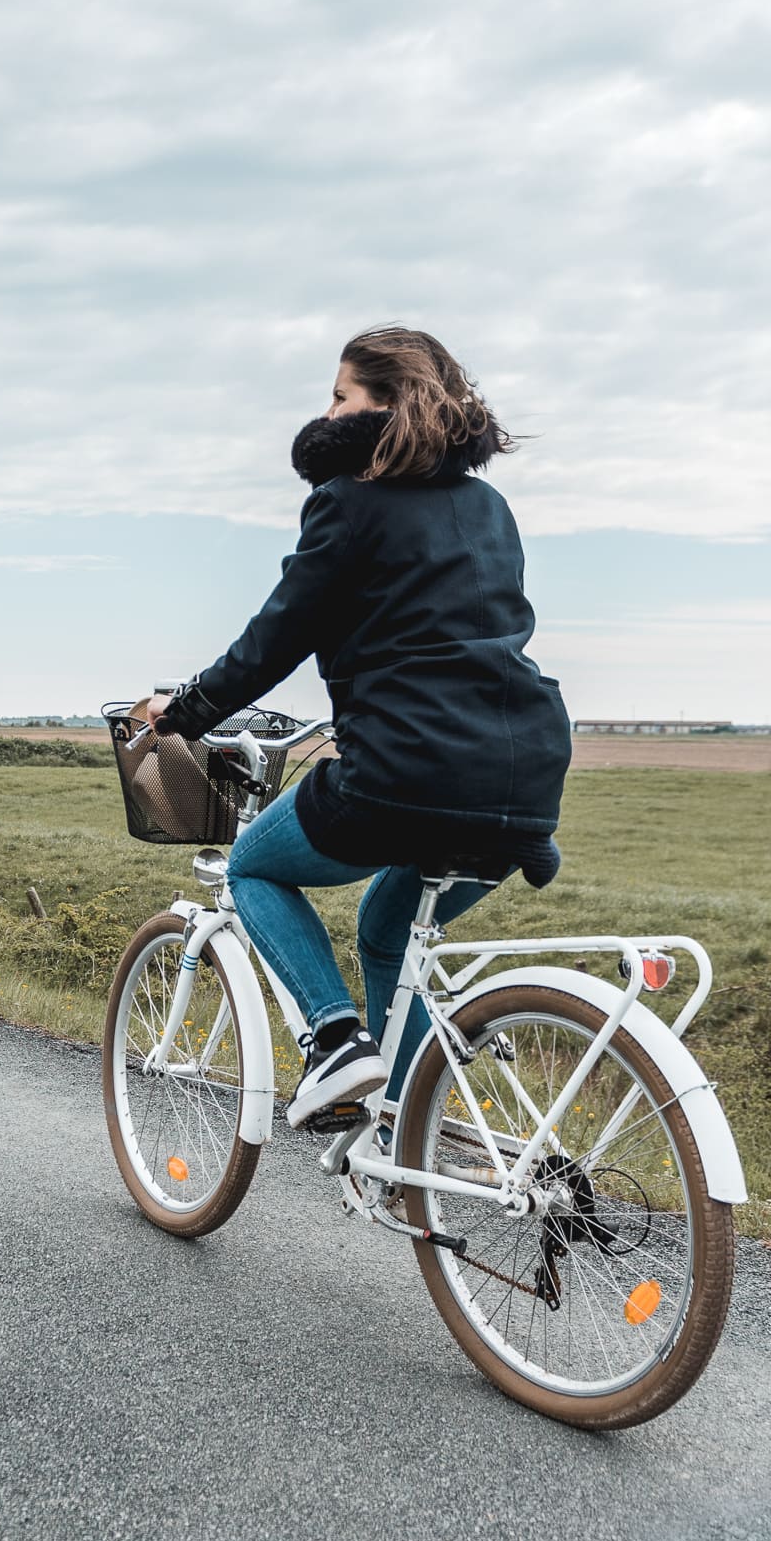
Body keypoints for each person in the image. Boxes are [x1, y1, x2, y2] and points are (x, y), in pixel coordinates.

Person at [148, 326, 570, 1130]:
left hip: (405, 773)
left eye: (341, 394)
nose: (329, 408)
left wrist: (190, 709)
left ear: (385, 403)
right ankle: (407, 1127)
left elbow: (281, 632)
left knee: (252, 869)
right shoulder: (489, 506)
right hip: (525, 774)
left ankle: (336, 1042)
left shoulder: (347, 501)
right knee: (385, 930)